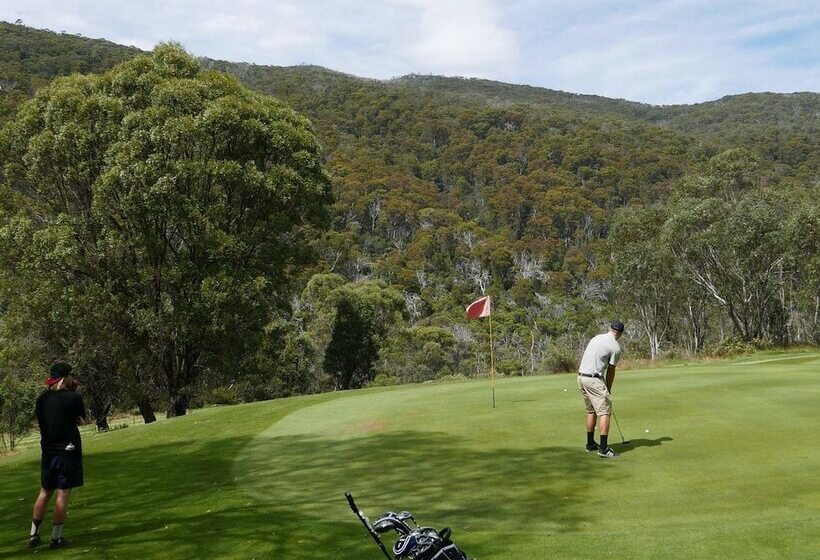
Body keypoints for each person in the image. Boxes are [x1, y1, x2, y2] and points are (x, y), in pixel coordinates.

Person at [28, 362, 86, 549]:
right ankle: (56, 538)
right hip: (67, 451)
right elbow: (82, 420)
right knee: (62, 493)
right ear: (64, 378)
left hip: (48, 451)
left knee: (45, 492)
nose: (72, 379)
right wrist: (74, 394)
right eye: (70, 376)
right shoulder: (72, 398)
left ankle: (33, 535)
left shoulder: (41, 399)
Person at [577, 320, 624, 459]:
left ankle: (590, 444)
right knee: (604, 412)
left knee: (591, 410)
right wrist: (608, 389)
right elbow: (611, 371)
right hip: (593, 380)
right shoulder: (615, 347)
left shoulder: (596, 337)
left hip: (581, 377)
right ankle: (603, 449)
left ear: (610, 328)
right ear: (620, 333)